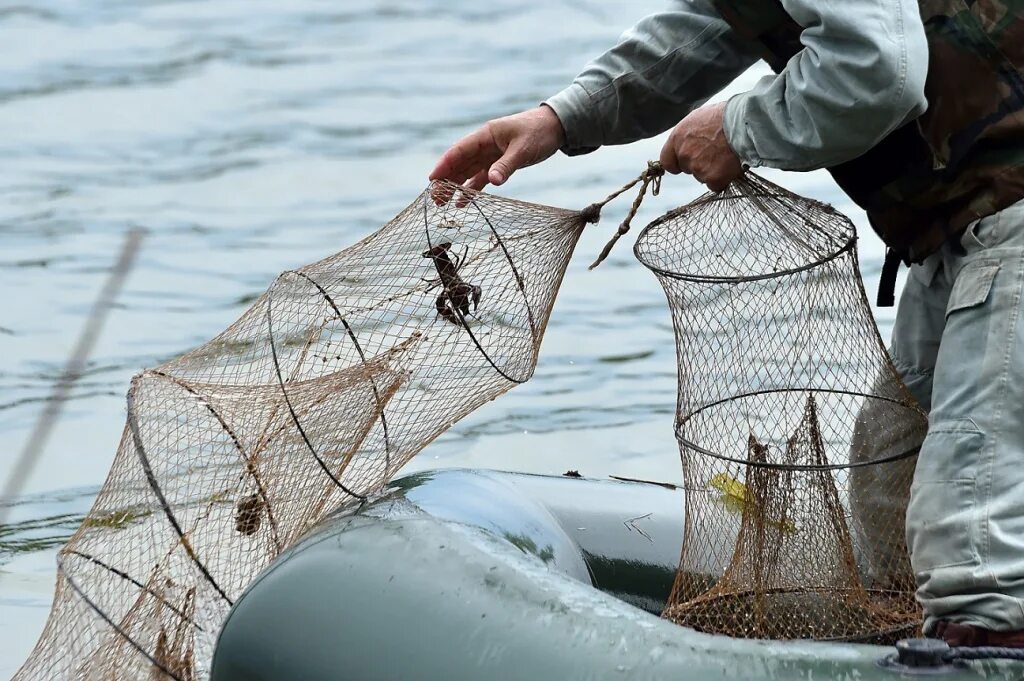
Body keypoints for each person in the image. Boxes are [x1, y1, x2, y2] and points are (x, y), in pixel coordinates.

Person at [430, 0, 1024, 647]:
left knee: (975, 554)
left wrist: (740, 127)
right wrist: (561, 117)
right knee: (889, 482)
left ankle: (984, 640)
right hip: (962, 237)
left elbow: (879, 69)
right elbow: (708, 27)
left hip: (1009, 226)